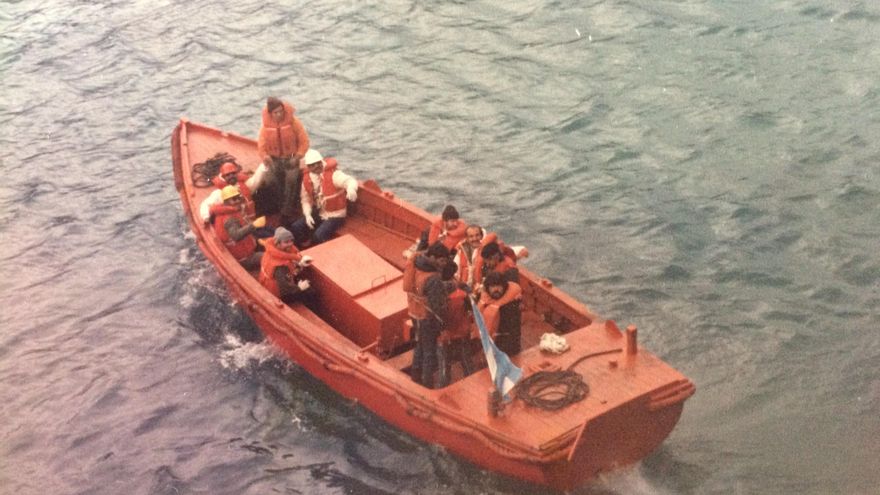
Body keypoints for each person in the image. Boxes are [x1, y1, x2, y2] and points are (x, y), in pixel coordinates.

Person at [402, 242, 450, 388]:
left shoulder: (417, 263)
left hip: (414, 312)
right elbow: (436, 306)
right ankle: (426, 384)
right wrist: (443, 326)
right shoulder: (433, 278)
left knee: (420, 345)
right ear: (434, 257)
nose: (443, 264)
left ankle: (415, 376)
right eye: (442, 261)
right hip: (426, 318)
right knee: (429, 351)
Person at [254, 97, 310, 222]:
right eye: (276, 112)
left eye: (281, 111)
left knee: (291, 180)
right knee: (269, 180)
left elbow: (304, 142)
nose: (279, 114)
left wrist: (297, 157)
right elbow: (261, 146)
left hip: (291, 160)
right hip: (274, 160)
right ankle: (281, 205)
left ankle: (286, 212)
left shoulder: (294, 123)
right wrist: (265, 156)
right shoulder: (265, 126)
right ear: (270, 113)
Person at [291, 148, 358, 246]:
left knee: (318, 236)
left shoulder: (334, 175)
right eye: (312, 165)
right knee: (296, 227)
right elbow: (305, 200)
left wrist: (351, 189)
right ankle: (301, 247)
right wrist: (308, 214)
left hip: (336, 215)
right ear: (308, 167)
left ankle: (317, 252)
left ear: (322, 161)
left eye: (318, 163)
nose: (316, 166)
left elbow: (349, 181)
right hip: (320, 212)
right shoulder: (307, 179)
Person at [437, 262, 474, 387]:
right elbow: (472, 308)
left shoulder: (436, 296)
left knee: (444, 364)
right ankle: (472, 381)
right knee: (466, 360)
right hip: (462, 332)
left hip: (445, 336)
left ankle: (443, 387)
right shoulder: (463, 293)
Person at [210, 186, 266, 270]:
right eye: (233, 199)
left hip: (247, 249)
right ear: (225, 202)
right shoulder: (229, 219)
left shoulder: (229, 212)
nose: (237, 201)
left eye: (238, 198)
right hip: (244, 258)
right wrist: (254, 225)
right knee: (269, 258)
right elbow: (236, 235)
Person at [258, 227, 316, 306]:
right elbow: (285, 290)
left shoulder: (270, 252)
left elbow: (288, 272)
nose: (290, 244)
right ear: (277, 243)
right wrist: (300, 288)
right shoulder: (280, 267)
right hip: (278, 294)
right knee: (311, 292)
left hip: (268, 284)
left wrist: (300, 265)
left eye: (291, 241)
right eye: (286, 242)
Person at [198, 161, 267, 223]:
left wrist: (263, 166)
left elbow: (255, 181)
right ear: (223, 176)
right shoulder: (219, 193)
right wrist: (206, 216)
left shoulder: (244, 185)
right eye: (227, 175)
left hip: (250, 220)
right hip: (235, 224)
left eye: (233, 173)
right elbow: (206, 204)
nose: (231, 176)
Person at [477, 271, 523, 356]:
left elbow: (513, 330)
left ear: (504, 287)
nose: (496, 289)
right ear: (487, 288)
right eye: (493, 286)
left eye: (499, 286)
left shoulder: (512, 303)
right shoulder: (484, 299)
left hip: (507, 340)